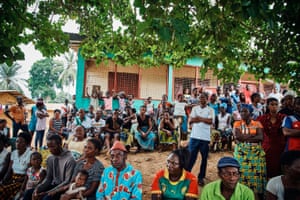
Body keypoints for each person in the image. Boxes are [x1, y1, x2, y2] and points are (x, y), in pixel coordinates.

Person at [233, 107, 266, 200]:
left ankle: (258, 195)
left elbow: (260, 137)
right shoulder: (237, 123)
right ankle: (241, 194)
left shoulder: (257, 123)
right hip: (241, 152)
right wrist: (252, 135)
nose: (242, 113)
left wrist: (244, 137)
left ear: (250, 113)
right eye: (241, 112)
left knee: (257, 174)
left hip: (256, 153)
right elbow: (238, 137)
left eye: (245, 111)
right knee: (241, 172)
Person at [32, 134, 76, 200]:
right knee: (29, 193)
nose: (50, 149)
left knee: (46, 198)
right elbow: (48, 178)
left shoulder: (69, 159)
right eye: (48, 147)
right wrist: (38, 189)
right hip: (53, 184)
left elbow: (67, 182)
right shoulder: (50, 158)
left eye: (52, 147)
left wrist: (47, 192)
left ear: (60, 144)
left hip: (62, 188)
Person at [187, 93, 213, 186]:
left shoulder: (210, 110)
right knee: (190, 157)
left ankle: (201, 177)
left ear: (207, 99)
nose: (202, 99)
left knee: (204, 158)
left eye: (203, 98)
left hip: (205, 138)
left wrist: (199, 118)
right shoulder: (194, 109)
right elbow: (192, 120)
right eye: (200, 98)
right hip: (194, 136)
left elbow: (210, 121)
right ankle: (187, 175)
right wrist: (203, 119)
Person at [257, 98, 286, 179]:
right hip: (267, 147)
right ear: (268, 106)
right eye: (272, 104)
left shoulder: (283, 117)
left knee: (280, 169)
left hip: (281, 147)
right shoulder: (262, 118)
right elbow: (258, 133)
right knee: (267, 169)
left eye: (276, 104)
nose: (274, 106)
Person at [0, 132, 32, 199]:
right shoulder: (14, 153)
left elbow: (29, 174)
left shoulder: (30, 155)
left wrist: (21, 185)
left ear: (27, 144)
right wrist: (3, 181)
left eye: (21, 142)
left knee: (2, 191)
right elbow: (9, 171)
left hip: (22, 181)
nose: (18, 143)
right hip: (12, 179)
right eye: (17, 141)